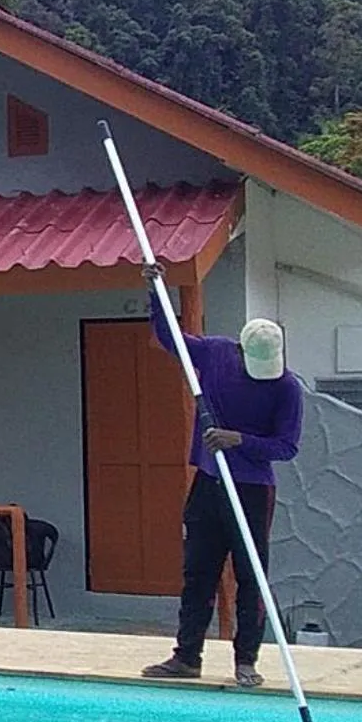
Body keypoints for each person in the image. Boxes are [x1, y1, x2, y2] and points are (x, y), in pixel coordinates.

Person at [139, 284, 302, 689]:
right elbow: (168, 338)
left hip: (251, 490)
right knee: (198, 572)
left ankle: (246, 659)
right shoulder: (215, 354)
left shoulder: (287, 387)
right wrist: (156, 293)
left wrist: (238, 439)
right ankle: (186, 656)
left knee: (250, 575)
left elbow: (287, 446)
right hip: (209, 483)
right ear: (241, 350)